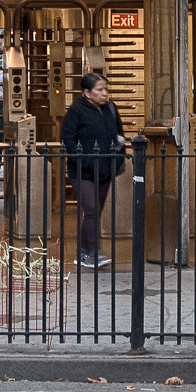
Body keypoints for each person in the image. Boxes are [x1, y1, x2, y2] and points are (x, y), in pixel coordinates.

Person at [60, 71, 125, 269]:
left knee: (95, 213)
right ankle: (95, 253)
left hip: (105, 169)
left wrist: (117, 160)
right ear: (87, 93)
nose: (104, 93)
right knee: (92, 209)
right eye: (99, 90)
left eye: (106, 89)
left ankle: (82, 253)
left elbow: (120, 135)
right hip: (83, 171)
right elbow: (68, 139)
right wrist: (82, 161)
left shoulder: (111, 109)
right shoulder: (76, 111)